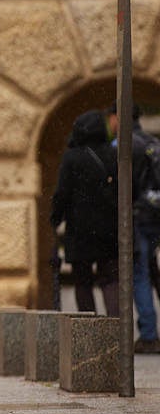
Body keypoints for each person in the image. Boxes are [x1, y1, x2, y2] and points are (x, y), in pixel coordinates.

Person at [50, 110, 119, 316]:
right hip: (109, 228)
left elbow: (62, 191)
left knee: (83, 281)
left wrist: (56, 216)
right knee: (110, 280)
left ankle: (89, 330)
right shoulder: (112, 154)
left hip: (81, 230)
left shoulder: (72, 157)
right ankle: (116, 327)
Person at [107, 102, 160, 353]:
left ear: (118, 117)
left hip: (136, 218)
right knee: (153, 271)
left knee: (139, 274)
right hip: (155, 216)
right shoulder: (153, 143)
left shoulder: (121, 146)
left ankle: (149, 334)